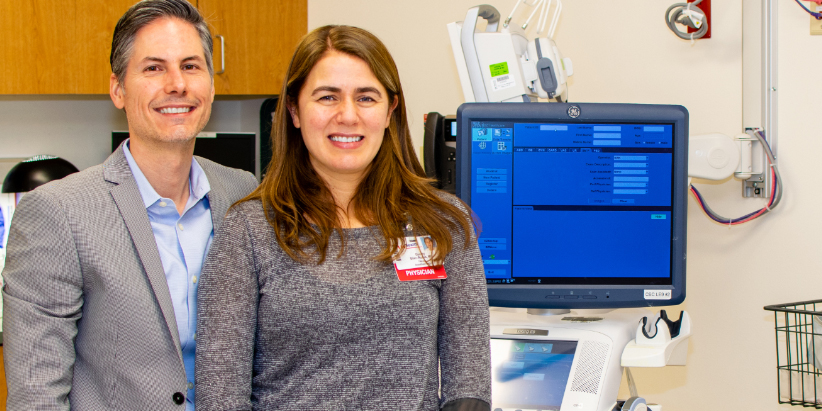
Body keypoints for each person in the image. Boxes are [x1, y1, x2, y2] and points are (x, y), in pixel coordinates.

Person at [195, 25, 491, 411]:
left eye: (366, 97)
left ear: (390, 111)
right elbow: (221, 398)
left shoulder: (444, 223)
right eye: (327, 97)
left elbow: (468, 385)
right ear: (294, 110)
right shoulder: (249, 231)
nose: (347, 115)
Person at [1, 1, 258, 409]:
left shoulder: (240, 192)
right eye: (154, 68)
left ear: (211, 84)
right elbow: (36, 394)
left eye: (191, 66)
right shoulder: (58, 212)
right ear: (118, 89)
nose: (177, 84)